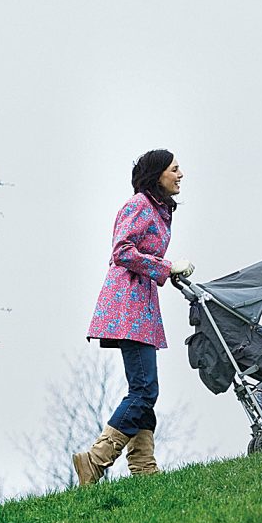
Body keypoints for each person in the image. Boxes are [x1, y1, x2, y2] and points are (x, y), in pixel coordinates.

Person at [76, 150, 194, 483]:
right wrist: (166, 267)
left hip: (140, 306)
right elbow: (122, 251)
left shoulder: (158, 209)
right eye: (175, 169)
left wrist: (168, 272)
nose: (181, 173)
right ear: (158, 175)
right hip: (127, 306)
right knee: (144, 391)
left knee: (143, 389)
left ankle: (143, 467)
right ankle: (96, 460)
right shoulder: (139, 205)